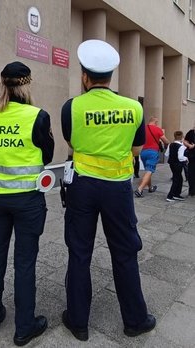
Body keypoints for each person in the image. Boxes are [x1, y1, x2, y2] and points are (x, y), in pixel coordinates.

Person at [61, 39, 156, 341]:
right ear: (111, 76)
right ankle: (135, 320)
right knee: (125, 252)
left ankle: (78, 322)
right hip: (118, 189)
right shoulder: (134, 108)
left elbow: (72, 144)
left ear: (84, 77)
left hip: (83, 188)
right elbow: (138, 147)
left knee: (79, 252)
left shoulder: (71, 107)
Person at [0, 61, 54, 346]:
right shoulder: (38, 116)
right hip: (27, 201)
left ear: (3, 84)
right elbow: (46, 157)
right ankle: (24, 327)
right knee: (24, 262)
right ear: (27, 84)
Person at [134, 116, 169, 197]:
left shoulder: (143, 129)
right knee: (149, 171)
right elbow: (165, 140)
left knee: (147, 170)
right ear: (156, 122)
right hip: (152, 152)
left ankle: (150, 187)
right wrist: (168, 144)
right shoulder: (157, 129)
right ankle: (140, 189)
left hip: (143, 152)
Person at [164, 131, 188, 202]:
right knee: (177, 179)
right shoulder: (181, 146)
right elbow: (180, 157)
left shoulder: (170, 144)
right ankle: (170, 195)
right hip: (178, 164)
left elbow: (166, 154)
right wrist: (186, 158)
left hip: (171, 164)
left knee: (179, 179)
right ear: (182, 137)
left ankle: (176, 194)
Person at [183, 123, 195, 196]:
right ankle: (192, 191)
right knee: (191, 174)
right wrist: (189, 145)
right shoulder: (191, 132)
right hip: (192, 156)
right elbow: (185, 141)